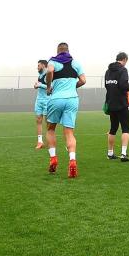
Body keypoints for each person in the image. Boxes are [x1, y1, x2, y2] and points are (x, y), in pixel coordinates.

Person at [45, 42, 86, 177]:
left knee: (51, 129)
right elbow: (83, 80)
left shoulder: (53, 61)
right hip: (72, 99)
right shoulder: (76, 63)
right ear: (68, 51)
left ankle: (53, 158)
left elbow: (50, 71)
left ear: (58, 51)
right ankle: (72, 161)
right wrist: (73, 87)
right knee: (69, 133)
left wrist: (49, 86)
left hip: (56, 99)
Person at [104, 52, 129, 162]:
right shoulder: (123, 70)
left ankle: (110, 153)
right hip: (121, 104)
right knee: (125, 128)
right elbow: (123, 85)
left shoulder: (108, 71)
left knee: (113, 129)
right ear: (124, 59)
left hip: (111, 103)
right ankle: (123, 154)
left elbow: (107, 85)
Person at [34, 60, 49, 149]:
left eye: (38, 65)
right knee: (38, 120)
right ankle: (40, 142)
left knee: (48, 122)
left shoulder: (48, 74)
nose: (37, 67)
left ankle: (49, 140)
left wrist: (39, 85)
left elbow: (50, 87)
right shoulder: (40, 75)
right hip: (39, 100)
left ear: (43, 65)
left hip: (47, 100)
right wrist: (36, 85)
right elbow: (40, 84)